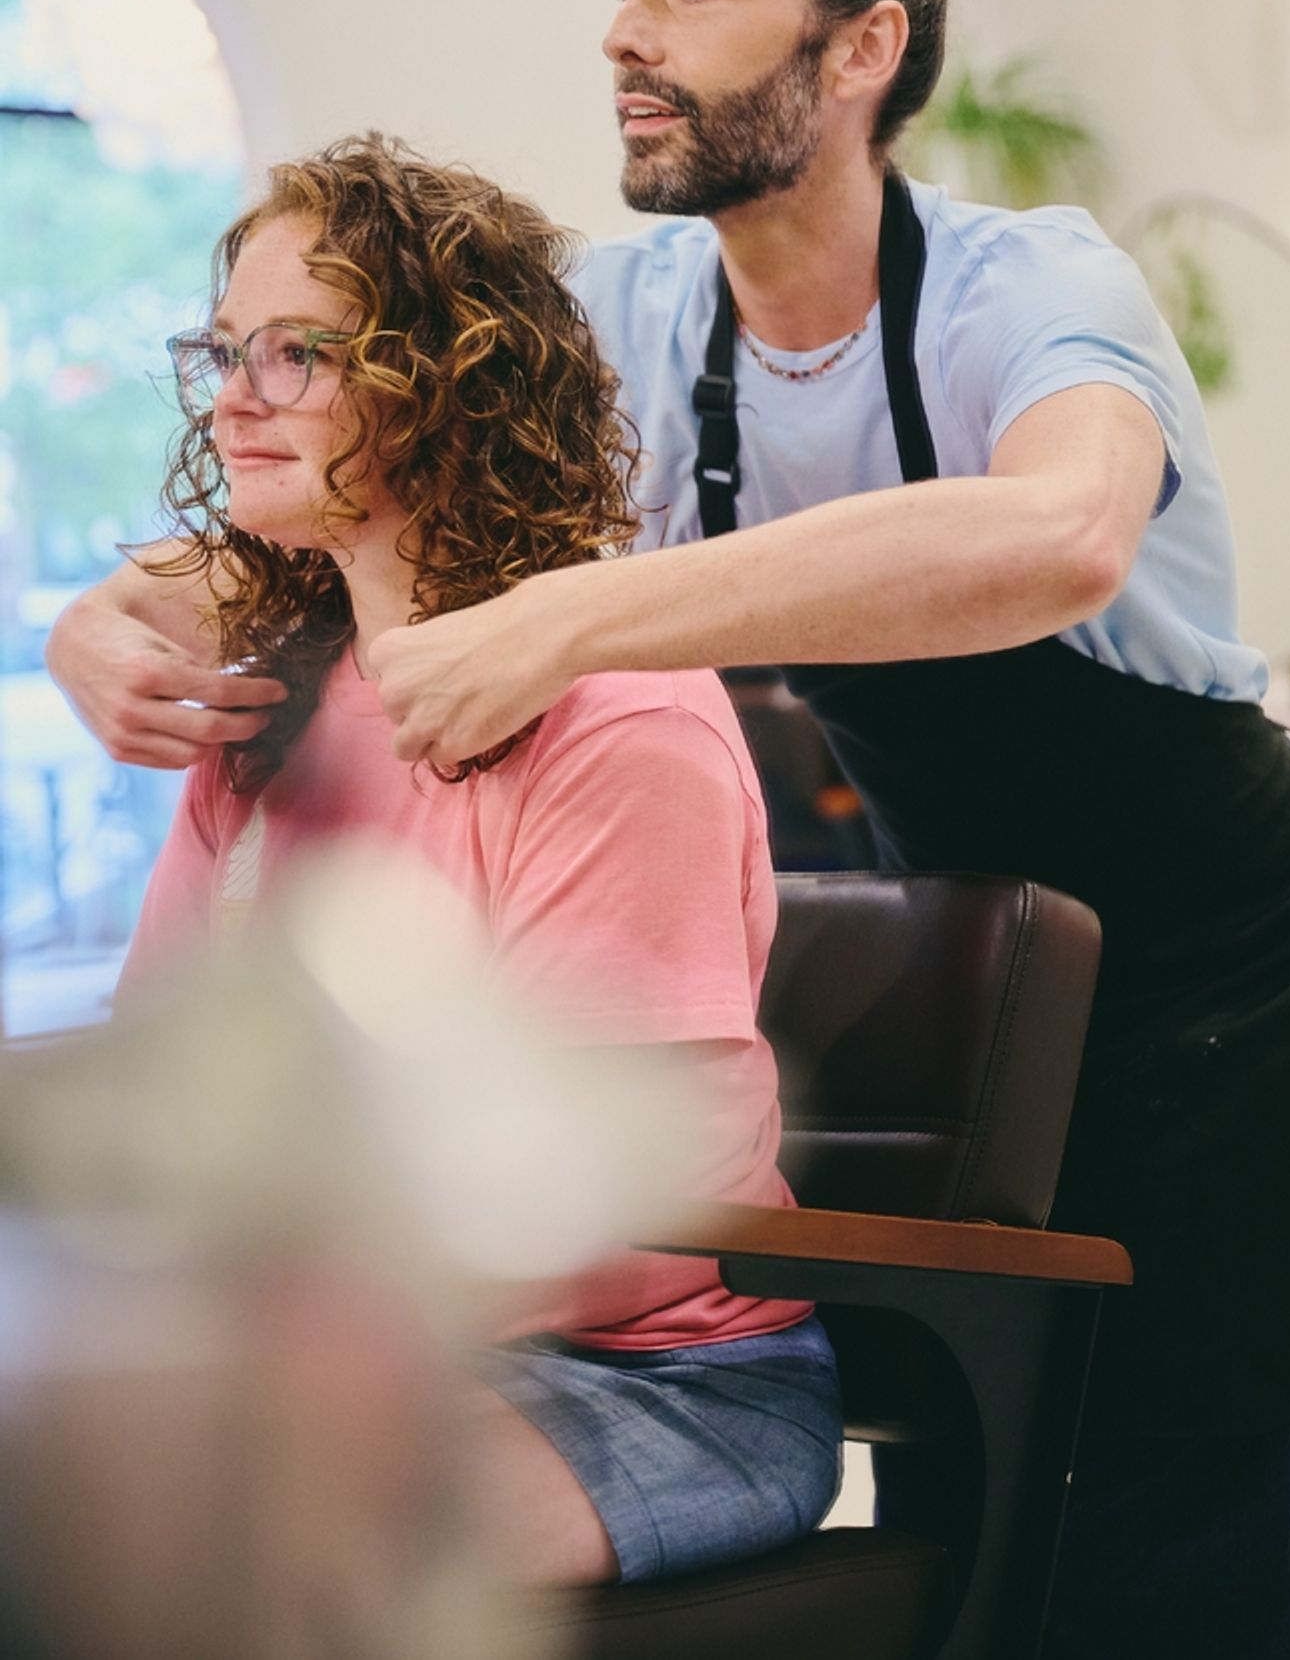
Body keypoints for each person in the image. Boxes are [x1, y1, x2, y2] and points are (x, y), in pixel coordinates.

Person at [48, 0, 1290, 1657]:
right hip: (955, 869)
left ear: (862, 48)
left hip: (1210, 943)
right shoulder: (639, 314)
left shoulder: (1026, 286)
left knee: (1163, 1465)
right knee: (978, 1478)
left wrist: (577, 613)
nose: (623, 33)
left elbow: (1060, 537)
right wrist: (111, 619)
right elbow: (389, 454)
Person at [110, 134, 843, 1590]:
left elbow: (590, 1204)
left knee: (184, 1552)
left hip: (649, 1386)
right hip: (363, 1350)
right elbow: (156, 1080)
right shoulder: (263, 720)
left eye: (298, 353)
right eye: (226, 351)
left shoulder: (617, 714)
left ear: (452, 386)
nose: (236, 397)